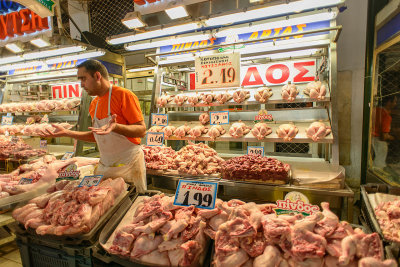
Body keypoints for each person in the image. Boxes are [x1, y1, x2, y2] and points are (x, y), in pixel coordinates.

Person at [39, 60, 147, 192]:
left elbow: (141, 130)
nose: (81, 85)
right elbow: (97, 135)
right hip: (105, 165)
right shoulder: (94, 104)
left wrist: (116, 127)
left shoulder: (123, 95)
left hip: (129, 164)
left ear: (97, 76)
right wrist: (68, 133)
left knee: (130, 204)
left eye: (83, 79)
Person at [372, 95, 397, 168]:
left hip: (370, 140)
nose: (395, 104)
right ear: (389, 102)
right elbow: (384, 136)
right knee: (378, 165)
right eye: (395, 101)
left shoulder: (374, 110)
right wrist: (393, 138)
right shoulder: (386, 116)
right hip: (378, 141)